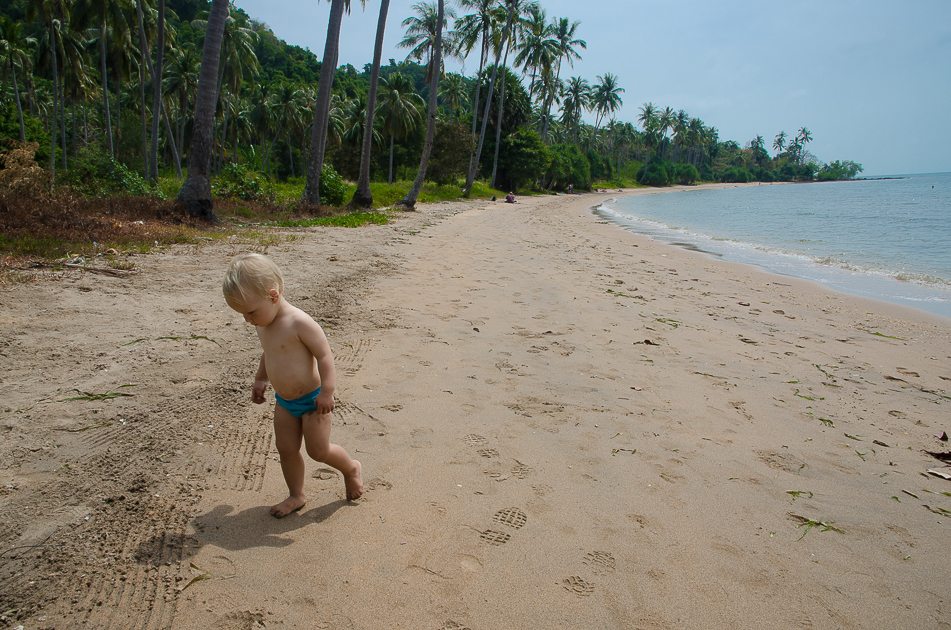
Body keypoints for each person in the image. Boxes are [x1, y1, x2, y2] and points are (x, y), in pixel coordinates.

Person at [223, 253, 363, 517]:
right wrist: (260, 378)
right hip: (285, 402)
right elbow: (269, 353)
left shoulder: (299, 322)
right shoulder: (263, 324)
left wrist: (327, 392)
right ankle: (296, 495)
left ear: (273, 296)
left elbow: (324, 356)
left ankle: (351, 468)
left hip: (313, 401)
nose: (247, 320)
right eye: (242, 314)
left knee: (318, 451)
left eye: (251, 312)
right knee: (286, 449)